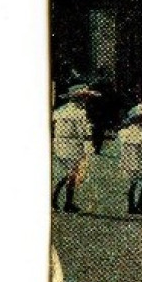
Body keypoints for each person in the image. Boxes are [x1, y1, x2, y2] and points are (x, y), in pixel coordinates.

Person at [51, 84, 96, 213]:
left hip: (59, 143)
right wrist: (89, 147)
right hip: (74, 145)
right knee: (72, 174)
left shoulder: (60, 110)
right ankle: (66, 202)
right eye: (85, 97)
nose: (86, 99)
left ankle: (57, 200)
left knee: (66, 173)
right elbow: (84, 132)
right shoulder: (80, 113)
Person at [118, 102, 142, 215]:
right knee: (134, 176)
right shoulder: (137, 109)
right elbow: (132, 119)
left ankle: (140, 202)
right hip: (134, 145)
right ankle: (131, 205)